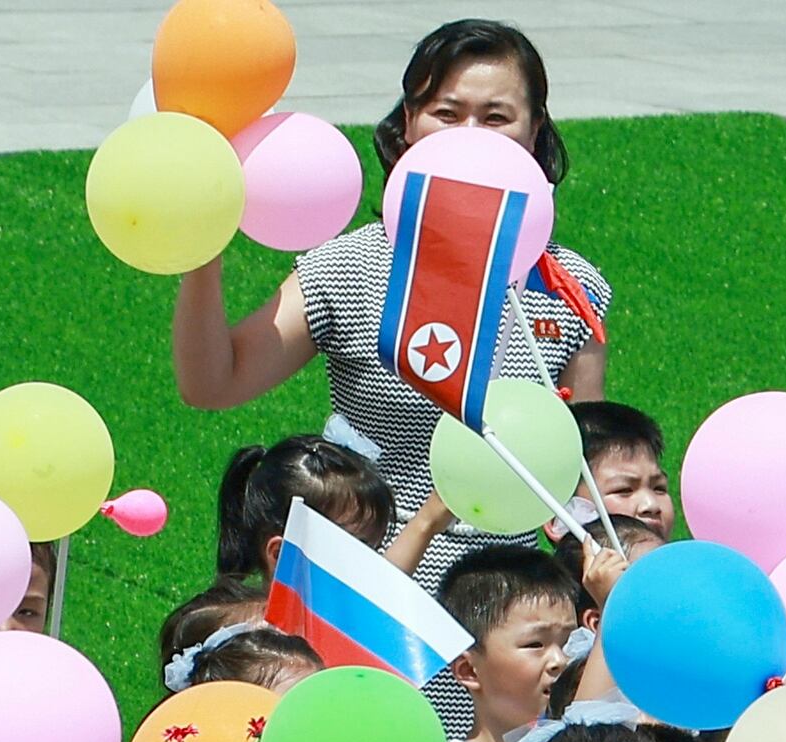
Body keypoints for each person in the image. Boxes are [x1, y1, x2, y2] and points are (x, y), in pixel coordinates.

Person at [171, 21, 611, 579]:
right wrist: (201, 248)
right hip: (363, 588)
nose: (468, 134)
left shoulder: (569, 286)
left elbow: (586, 474)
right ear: (407, 124)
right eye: (446, 114)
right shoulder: (347, 268)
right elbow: (214, 381)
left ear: (534, 132)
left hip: (510, 620)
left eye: (496, 117)